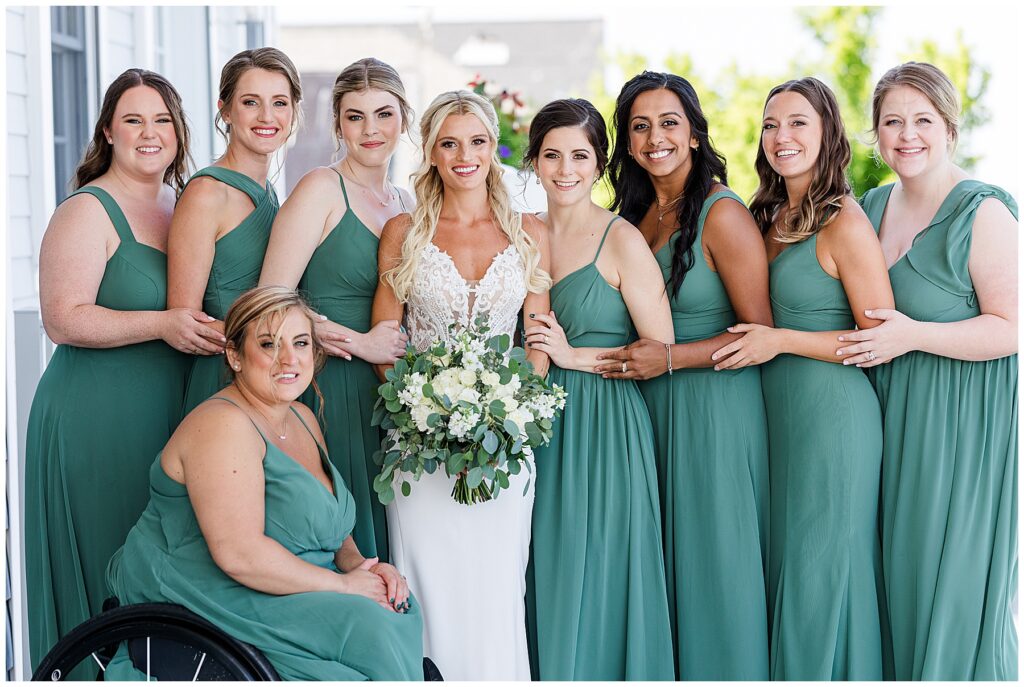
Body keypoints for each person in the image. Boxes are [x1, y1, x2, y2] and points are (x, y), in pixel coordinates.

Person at [105, 286, 424, 681]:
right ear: (235, 356)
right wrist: (344, 587)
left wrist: (364, 568)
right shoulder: (223, 425)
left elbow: (331, 526)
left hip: (289, 579)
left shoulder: (303, 418)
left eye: (301, 343)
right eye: (269, 344)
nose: (289, 359)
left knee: (397, 605)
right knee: (370, 627)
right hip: (211, 589)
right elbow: (239, 555)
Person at [24, 69, 208, 671]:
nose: (149, 134)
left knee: (156, 571)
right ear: (108, 130)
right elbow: (63, 318)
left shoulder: (183, 203)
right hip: (93, 421)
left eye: (162, 120)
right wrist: (162, 324)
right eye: (133, 119)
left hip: (166, 418)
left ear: (179, 133)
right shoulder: (87, 210)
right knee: (105, 565)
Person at [711, 77, 894, 679]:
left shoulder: (846, 221)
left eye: (797, 123)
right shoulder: (764, 215)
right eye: (771, 124)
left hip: (833, 416)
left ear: (827, 134)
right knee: (786, 565)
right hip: (774, 417)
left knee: (825, 569)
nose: (780, 136)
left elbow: (879, 341)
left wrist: (781, 340)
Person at [591, 71, 772, 680]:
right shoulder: (632, 216)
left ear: (694, 133)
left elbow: (760, 336)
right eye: (639, 126)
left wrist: (669, 359)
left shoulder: (723, 215)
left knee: (716, 567)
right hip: (648, 416)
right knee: (664, 568)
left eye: (669, 122)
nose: (654, 137)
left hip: (714, 411)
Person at [371, 89, 551, 680]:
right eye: (448, 143)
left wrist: (506, 412)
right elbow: (385, 342)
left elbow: (538, 347)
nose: (464, 155)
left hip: (504, 447)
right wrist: (424, 411)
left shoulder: (528, 232)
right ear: (430, 152)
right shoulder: (404, 231)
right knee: (429, 591)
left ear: (493, 147)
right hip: (417, 450)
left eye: (476, 141)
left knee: (497, 595)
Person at [850, 62, 1018, 681]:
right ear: (875, 133)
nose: (907, 135)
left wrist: (913, 335)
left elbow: (1011, 328)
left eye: (923, 120)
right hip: (882, 421)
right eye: (892, 121)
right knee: (889, 587)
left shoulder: (984, 212)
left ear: (949, 126)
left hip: (956, 431)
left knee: (941, 584)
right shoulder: (867, 208)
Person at [522, 98, 675, 681]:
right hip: (534, 424)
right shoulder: (521, 233)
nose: (566, 170)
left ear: (600, 163)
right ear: (534, 162)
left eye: (580, 156)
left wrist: (572, 357)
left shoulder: (621, 240)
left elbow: (659, 350)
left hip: (605, 422)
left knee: (604, 566)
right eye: (552, 155)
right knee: (545, 565)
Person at [259, 58, 412, 562]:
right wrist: (360, 342)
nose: (371, 130)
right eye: (355, 116)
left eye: (384, 114)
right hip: (334, 389)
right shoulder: (320, 189)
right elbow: (272, 300)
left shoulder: (406, 203)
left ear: (404, 119)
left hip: (396, 396)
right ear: (337, 124)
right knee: (349, 540)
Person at [170, 47, 301, 414]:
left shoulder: (271, 194)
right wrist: (264, 341)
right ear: (225, 109)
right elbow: (185, 321)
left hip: (274, 375)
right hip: (224, 378)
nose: (266, 117)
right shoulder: (206, 193)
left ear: (293, 112)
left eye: (279, 103)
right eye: (250, 102)